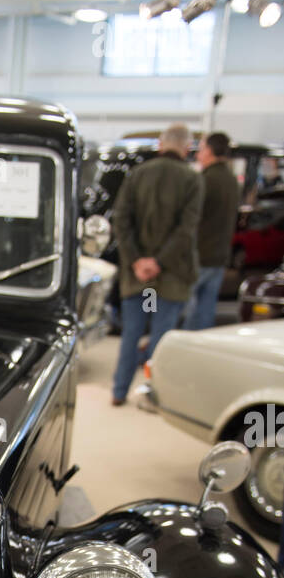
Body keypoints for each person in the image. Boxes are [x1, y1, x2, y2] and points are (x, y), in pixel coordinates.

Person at [110, 123, 203, 405]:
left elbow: (121, 221)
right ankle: (153, 395)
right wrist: (159, 263)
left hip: (137, 276)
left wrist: (138, 261)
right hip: (171, 276)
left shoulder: (138, 175)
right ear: (186, 148)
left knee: (131, 335)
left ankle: (119, 392)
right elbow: (186, 230)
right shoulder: (192, 179)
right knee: (161, 341)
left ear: (161, 145)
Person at [183, 132, 240, 331]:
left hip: (200, 255)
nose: (198, 153)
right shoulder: (232, 180)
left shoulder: (205, 180)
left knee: (188, 311)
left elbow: (191, 218)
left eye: (201, 148)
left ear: (209, 151)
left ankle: (185, 352)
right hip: (220, 255)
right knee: (206, 311)